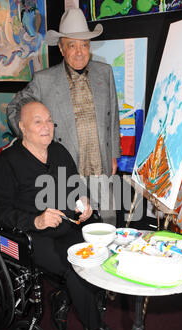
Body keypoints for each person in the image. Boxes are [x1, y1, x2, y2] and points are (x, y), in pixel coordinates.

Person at [0, 99, 128, 330]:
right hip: (31, 235)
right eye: (37, 121)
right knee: (78, 267)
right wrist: (36, 220)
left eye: (49, 120)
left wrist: (84, 202)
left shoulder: (59, 151)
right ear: (22, 127)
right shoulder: (9, 161)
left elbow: (76, 185)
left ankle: (63, 296)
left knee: (104, 245)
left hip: (68, 222)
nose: (46, 126)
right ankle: (94, 328)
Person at [7, 8, 121, 226]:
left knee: (107, 225)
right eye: (72, 45)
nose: (79, 51)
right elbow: (14, 108)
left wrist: (113, 153)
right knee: (74, 228)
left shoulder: (104, 73)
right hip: (67, 173)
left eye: (84, 45)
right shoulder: (44, 80)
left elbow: (113, 115)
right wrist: (29, 139)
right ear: (61, 48)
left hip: (101, 166)